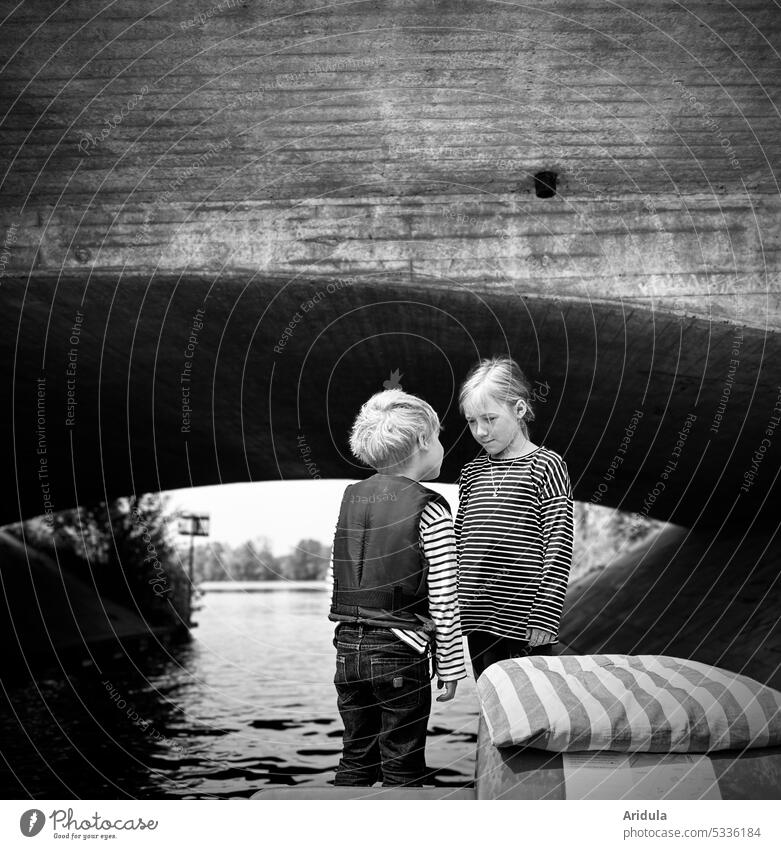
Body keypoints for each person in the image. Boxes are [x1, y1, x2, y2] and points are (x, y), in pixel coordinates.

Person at [329, 389, 466, 787]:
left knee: (356, 757)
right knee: (402, 767)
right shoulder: (432, 506)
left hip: (347, 650)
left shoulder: (350, 497)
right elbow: (444, 596)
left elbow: (341, 575)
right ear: (424, 441)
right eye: (440, 437)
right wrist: (451, 666)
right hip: (399, 654)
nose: (442, 446)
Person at [455, 356, 574, 680]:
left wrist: (545, 615)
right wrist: (448, 609)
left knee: (530, 710)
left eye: (490, 418)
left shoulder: (546, 466)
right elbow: (459, 545)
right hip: (476, 616)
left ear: (519, 410)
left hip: (525, 620)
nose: (480, 431)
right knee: (492, 703)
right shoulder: (471, 473)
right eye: (471, 421)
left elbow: (558, 543)